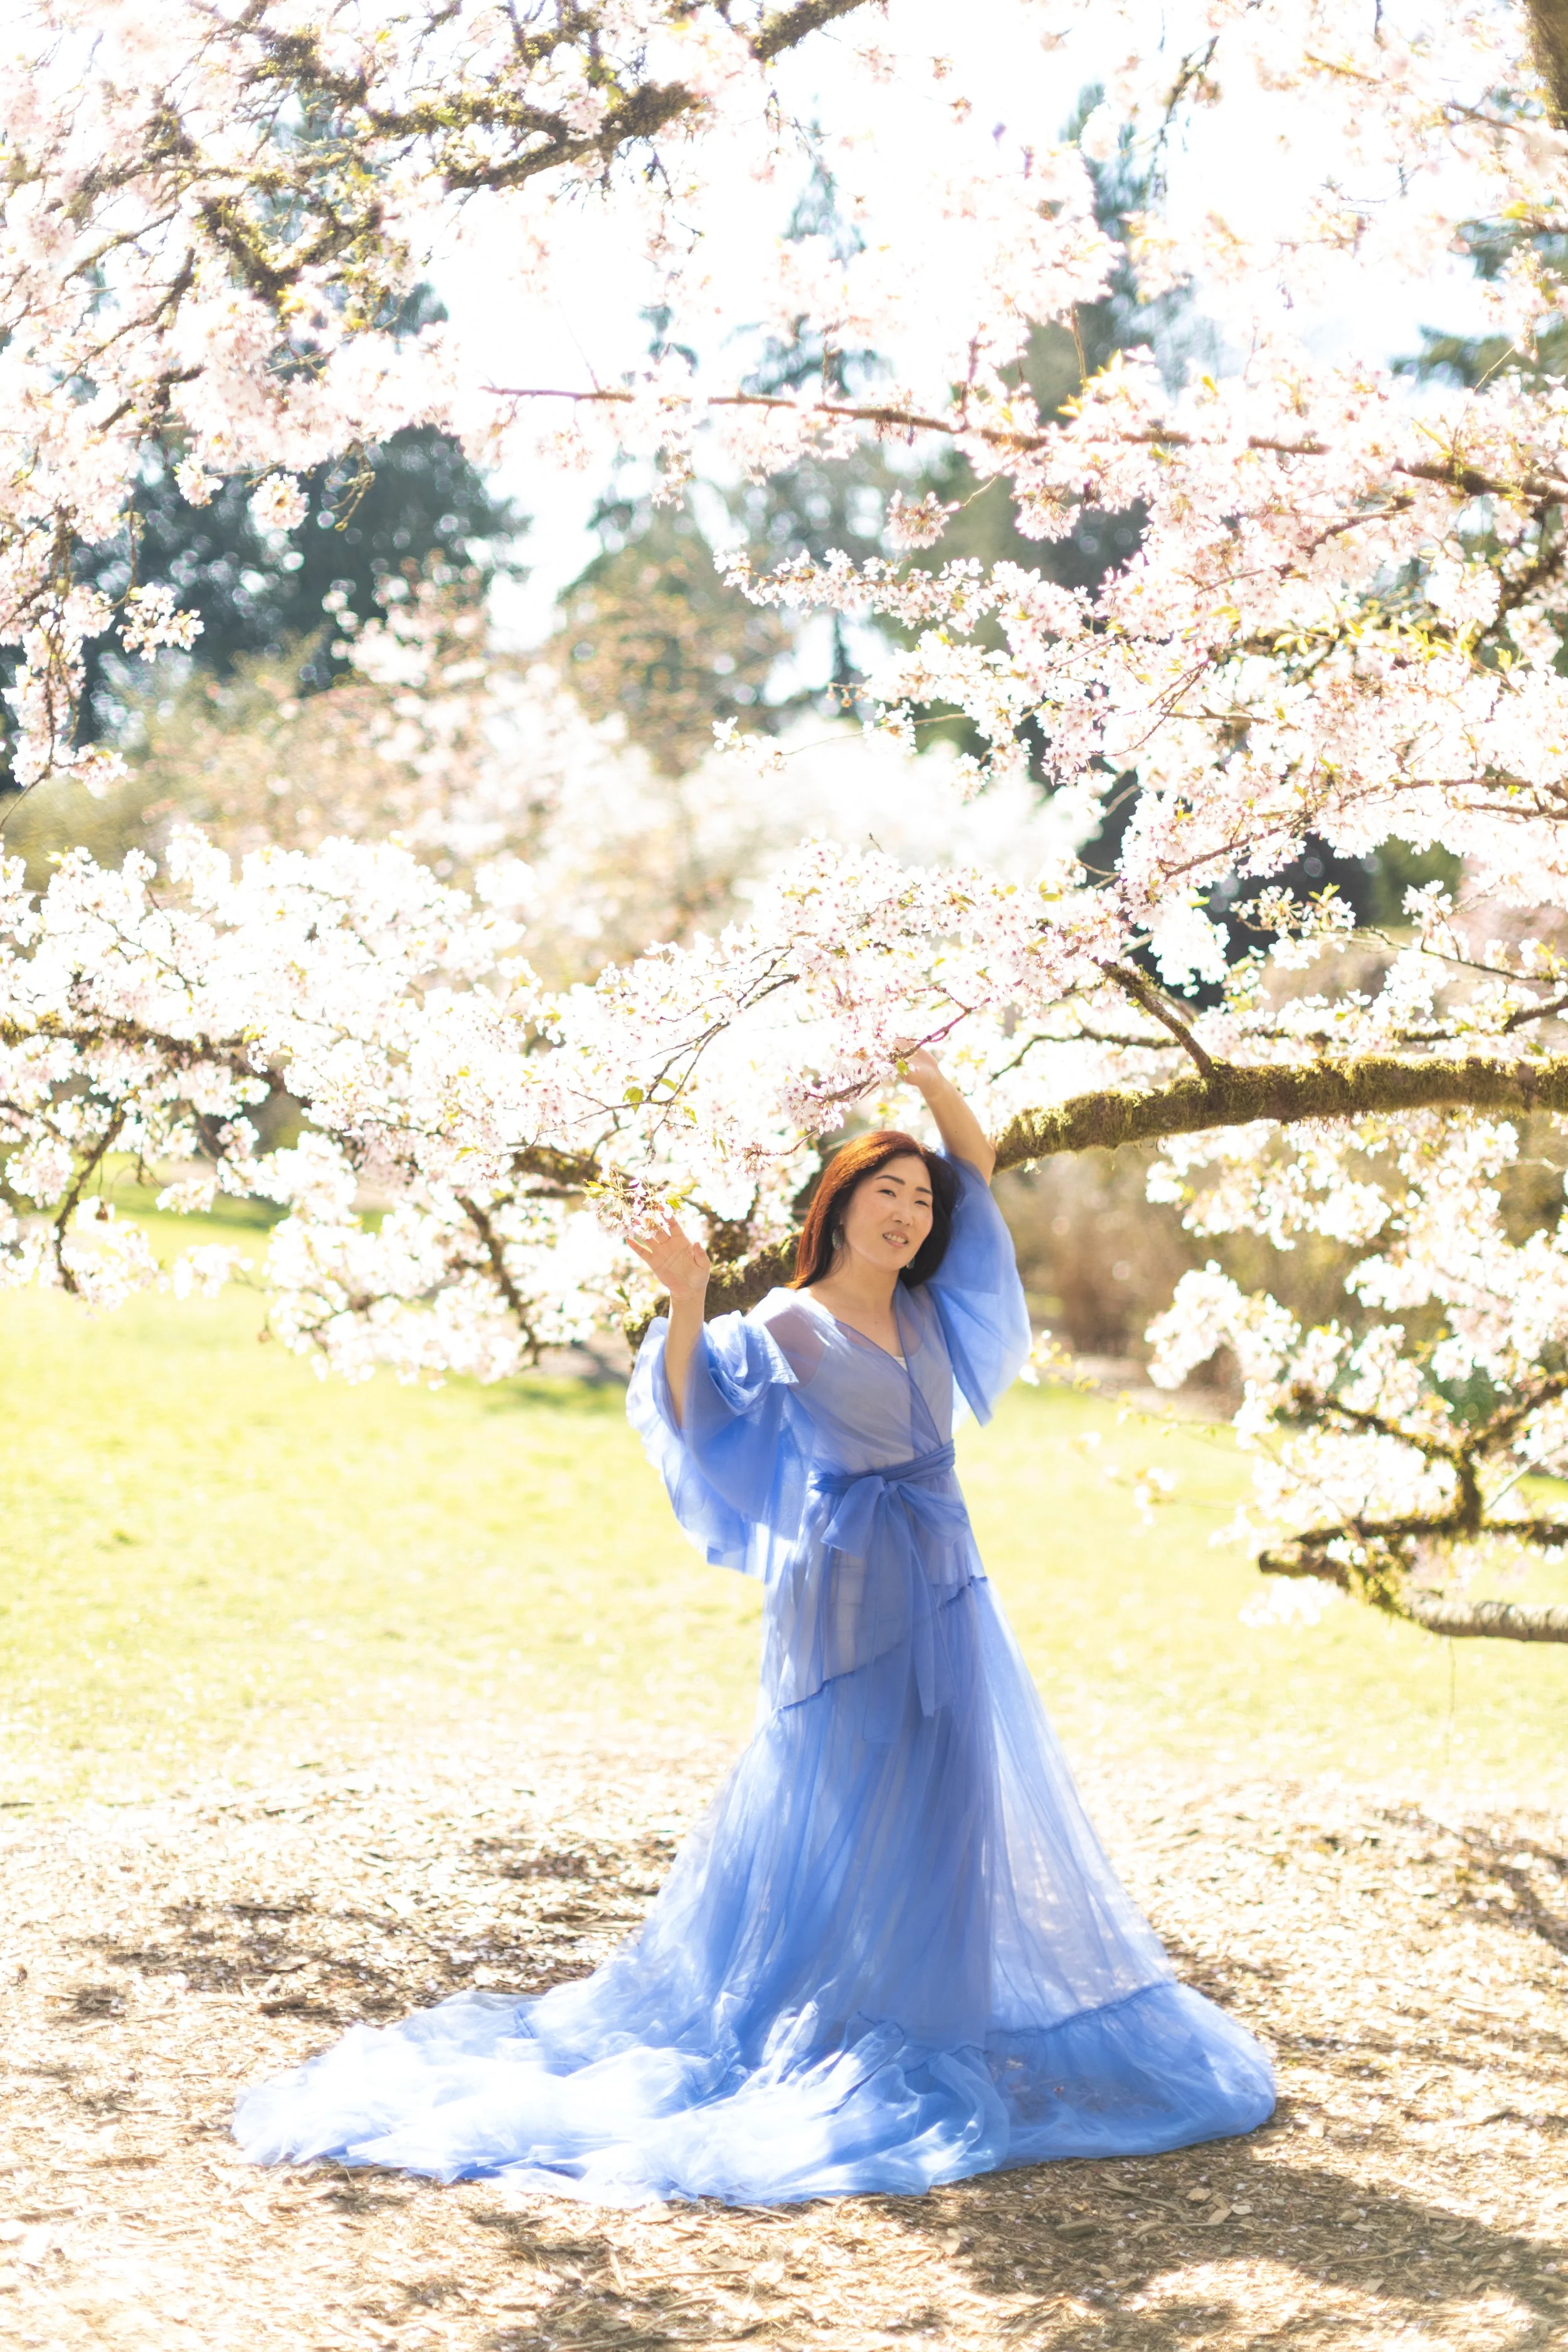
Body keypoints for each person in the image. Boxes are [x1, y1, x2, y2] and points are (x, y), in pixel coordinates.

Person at [233, 1051, 1274, 2203]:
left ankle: (930, 2012)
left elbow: (974, 1169)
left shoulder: (930, 1309)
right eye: (888, 1192)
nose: (912, 1211)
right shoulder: (787, 1322)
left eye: (920, 1202)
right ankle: (832, 2016)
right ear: (839, 1205)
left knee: (955, 1785)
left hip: (947, 1572)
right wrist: (687, 1302)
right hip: (845, 1590)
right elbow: (694, 1410)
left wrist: (930, 1081)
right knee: (849, 1789)